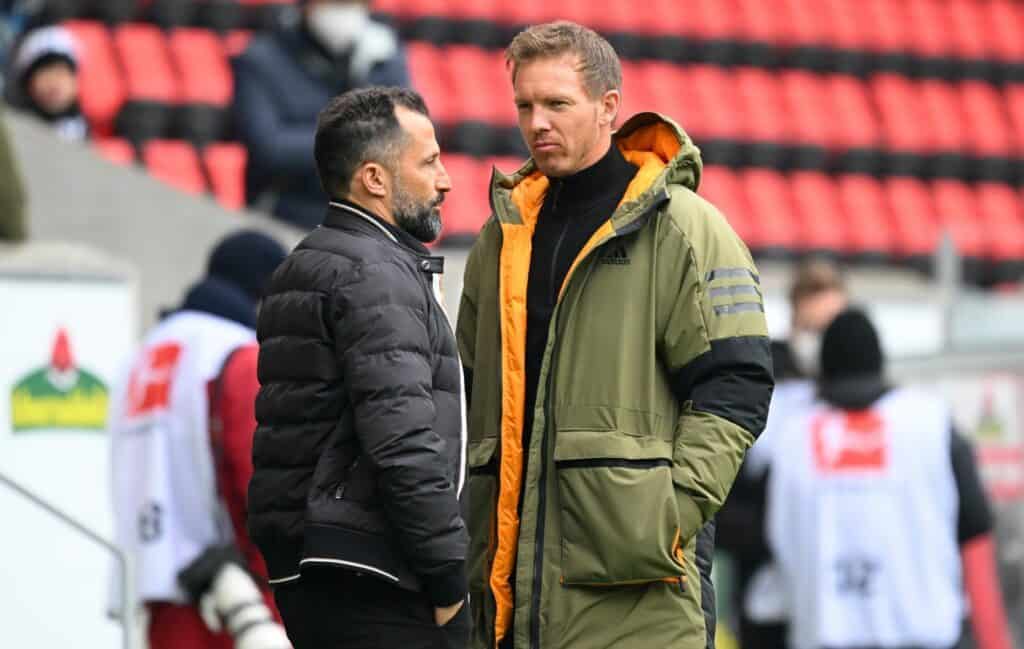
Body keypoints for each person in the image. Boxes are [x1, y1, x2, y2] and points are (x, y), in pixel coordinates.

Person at [455, 21, 774, 649]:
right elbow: (467, 391)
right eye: (525, 105)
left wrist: (668, 515)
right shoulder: (500, 238)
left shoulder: (684, 228)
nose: (537, 122)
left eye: (557, 103)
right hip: (505, 598)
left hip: (638, 597)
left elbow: (737, 381)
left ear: (607, 109)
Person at [247, 87, 468, 649]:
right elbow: (403, 441)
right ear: (374, 179)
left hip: (317, 571)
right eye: (429, 162)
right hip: (375, 578)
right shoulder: (377, 276)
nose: (445, 180)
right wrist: (449, 580)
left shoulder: (311, 260)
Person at [766, 309, 1014, 649]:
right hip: (926, 636)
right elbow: (975, 538)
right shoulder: (931, 422)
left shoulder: (790, 435)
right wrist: (995, 641)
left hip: (823, 635)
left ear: (824, 370)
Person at [109, 230, 290, 649]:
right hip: (236, 603)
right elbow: (263, 484)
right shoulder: (235, 353)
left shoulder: (142, 353)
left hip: (159, 590)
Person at [716, 259, 848, 649]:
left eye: (831, 329)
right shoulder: (762, 384)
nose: (822, 339)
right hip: (766, 593)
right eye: (814, 328)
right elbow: (730, 497)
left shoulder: (858, 398)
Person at [232, 0, 410, 230]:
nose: (344, 13)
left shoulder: (380, 56)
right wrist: (354, 139)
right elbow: (269, 147)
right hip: (284, 217)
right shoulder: (261, 59)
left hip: (363, 220)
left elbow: (403, 134)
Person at [7, 25, 87, 141]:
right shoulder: (12, 131)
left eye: (61, 73)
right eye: (45, 73)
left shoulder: (86, 136)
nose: (54, 83)